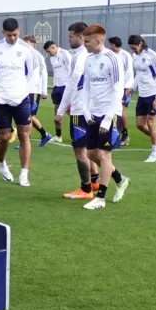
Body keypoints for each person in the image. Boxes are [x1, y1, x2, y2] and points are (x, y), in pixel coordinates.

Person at [80, 24, 132, 210]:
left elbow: (118, 89)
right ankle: (120, 179)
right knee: (90, 153)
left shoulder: (113, 59)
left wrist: (109, 117)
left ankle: (100, 198)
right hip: (93, 113)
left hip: (110, 113)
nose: (84, 44)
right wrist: (86, 112)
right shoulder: (88, 60)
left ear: (98, 40)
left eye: (87, 41)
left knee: (103, 154)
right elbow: (86, 87)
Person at [0, 18, 37, 187]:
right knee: (5, 136)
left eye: (15, 34)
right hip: (1, 100)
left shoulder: (27, 49)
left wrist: (25, 92)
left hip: (21, 100)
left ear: (19, 31)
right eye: (9, 35)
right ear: (3, 33)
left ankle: (24, 174)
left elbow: (34, 72)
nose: (13, 38)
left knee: (24, 135)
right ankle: (1, 164)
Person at [58, 22, 101, 199]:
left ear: (80, 36)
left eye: (70, 36)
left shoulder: (79, 55)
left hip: (80, 109)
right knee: (89, 147)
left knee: (80, 150)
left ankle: (85, 189)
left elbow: (73, 81)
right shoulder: (90, 56)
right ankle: (95, 180)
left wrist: (61, 109)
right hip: (88, 106)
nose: (68, 39)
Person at [127, 34, 156, 162]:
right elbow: (139, 74)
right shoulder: (135, 57)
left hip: (153, 93)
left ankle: (155, 153)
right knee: (140, 125)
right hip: (142, 94)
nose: (134, 50)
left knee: (151, 123)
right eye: (131, 48)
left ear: (140, 43)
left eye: (135, 48)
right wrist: (132, 87)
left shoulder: (152, 56)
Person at [22, 34, 53, 147]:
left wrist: (44, 90)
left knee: (28, 115)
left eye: (27, 43)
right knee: (27, 115)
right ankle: (44, 134)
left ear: (33, 43)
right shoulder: (24, 55)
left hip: (34, 90)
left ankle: (26, 142)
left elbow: (44, 73)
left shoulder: (37, 56)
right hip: (25, 90)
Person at [44, 40, 72, 140]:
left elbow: (71, 69)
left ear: (54, 47)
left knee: (70, 110)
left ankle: (83, 129)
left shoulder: (64, 53)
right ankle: (58, 135)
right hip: (57, 87)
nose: (48, 53)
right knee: (57, 112)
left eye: (48, 51)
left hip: (66, 86)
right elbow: (56, 72)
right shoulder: (52, 58)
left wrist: (70, 85)